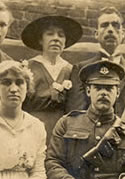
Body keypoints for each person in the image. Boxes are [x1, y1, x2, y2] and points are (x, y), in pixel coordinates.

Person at [65, 6, 125, 116]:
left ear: (122, 33)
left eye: (115, 25)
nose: (110, 30)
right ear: (96, 34)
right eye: (104, 25)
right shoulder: (81, 68)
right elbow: (75, 112)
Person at [21, 16, 83, 145]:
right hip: (31, 128)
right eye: (50, 34)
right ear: (40, 40)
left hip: (62, 131)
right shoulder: (28, 67)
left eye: (61, 35)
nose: (56, 38)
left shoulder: (71, 70)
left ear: (65, 42)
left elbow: (76, 106)